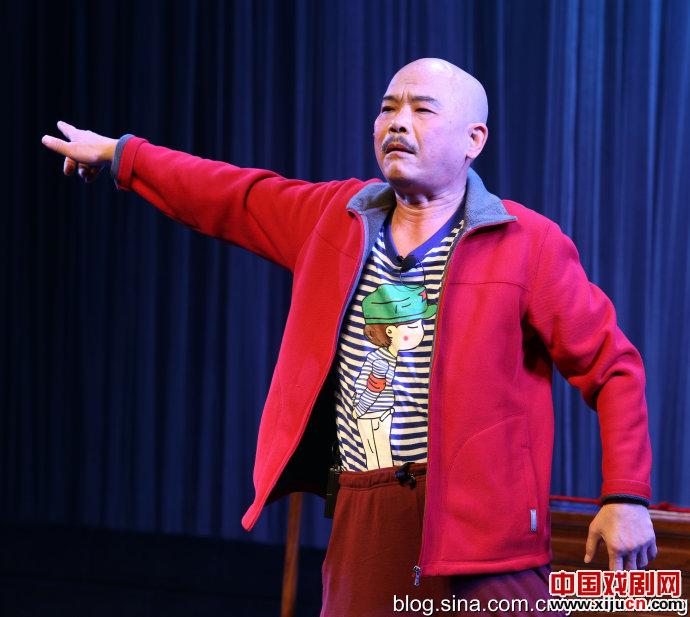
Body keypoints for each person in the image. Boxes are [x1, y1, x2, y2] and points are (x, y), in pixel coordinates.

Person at [42, 58, 656, 616]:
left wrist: (625, 497)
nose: (398, 121)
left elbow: (613, 366)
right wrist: (123, 156)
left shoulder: (527, 243)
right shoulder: (335, 218)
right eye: (388, 107)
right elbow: (230, 194)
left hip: (485, 541)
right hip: (368, 510)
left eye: (422, 109)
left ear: (474, 140)